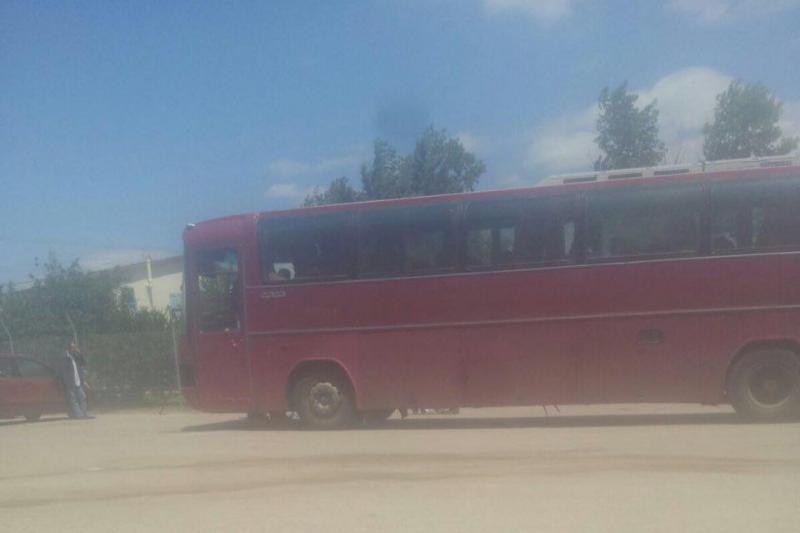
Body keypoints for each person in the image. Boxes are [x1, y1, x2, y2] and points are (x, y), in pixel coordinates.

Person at [62, 341, 93, 419]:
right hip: (70, 383)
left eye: (74, 347)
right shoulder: (65, 358)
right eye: (72, 347)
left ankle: (84, 414)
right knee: (73, 400)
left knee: (82, 397)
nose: (74, 349)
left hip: (78, 382)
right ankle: (79, 415)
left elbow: (84, 363)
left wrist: (79, 353)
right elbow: (63, 371)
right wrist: (66, 382)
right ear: (68, 348)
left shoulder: (76, 357)